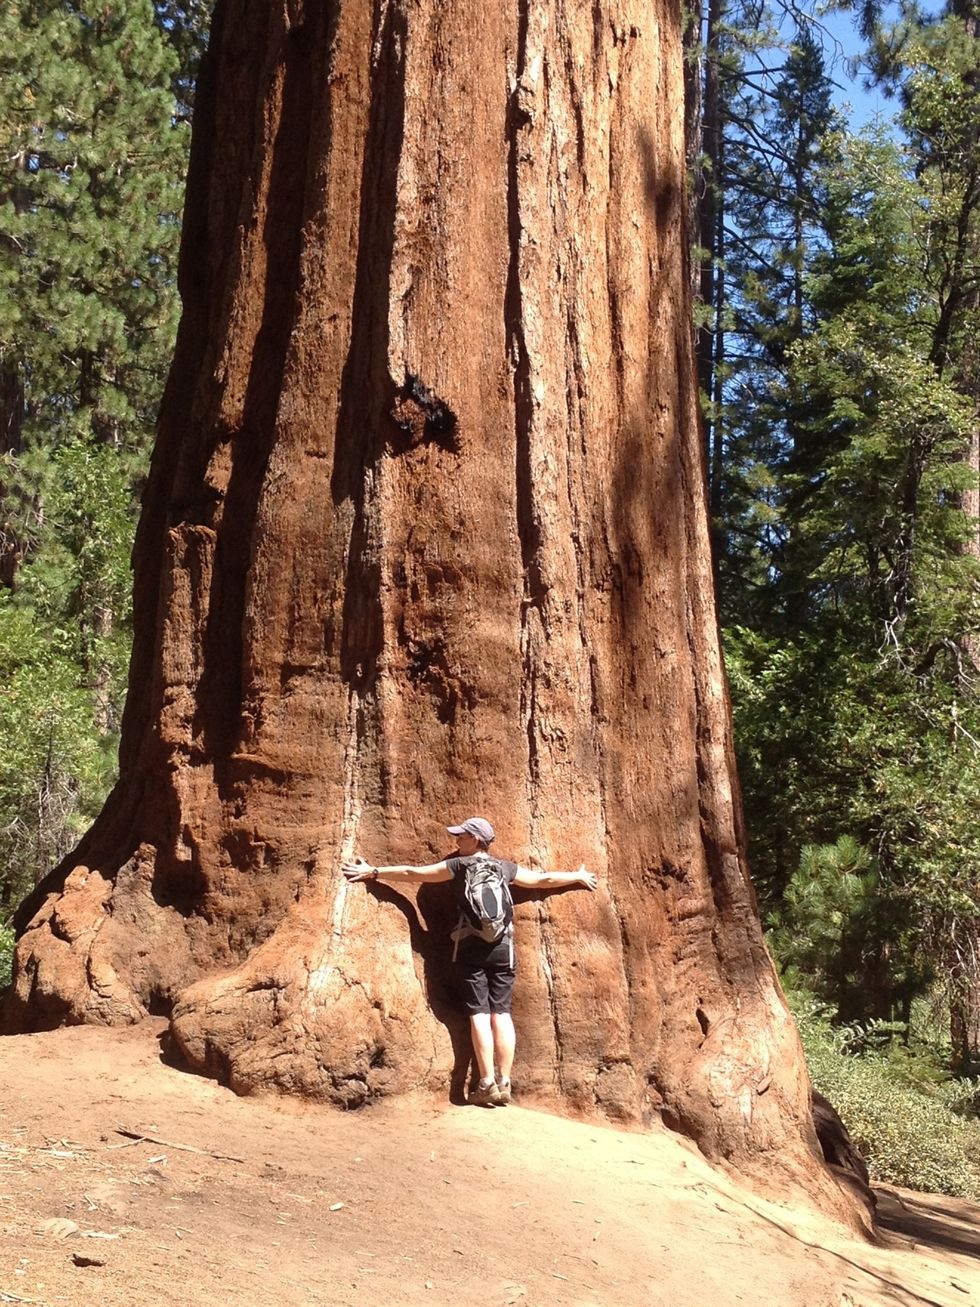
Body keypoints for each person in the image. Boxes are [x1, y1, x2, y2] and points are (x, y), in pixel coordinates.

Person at [341, 816, 597, 1106]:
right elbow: (542, 879)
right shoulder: (504, 868)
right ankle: (504, 1080)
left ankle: (485, 1082)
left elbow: (414, 872)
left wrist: (374, 872)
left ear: (474, 840)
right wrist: (577, 876)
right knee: (501, 1014)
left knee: (479, 1014)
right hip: (504, 950)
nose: (457, 841)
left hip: (471, 950)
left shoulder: (459, 866)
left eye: (461, 836)